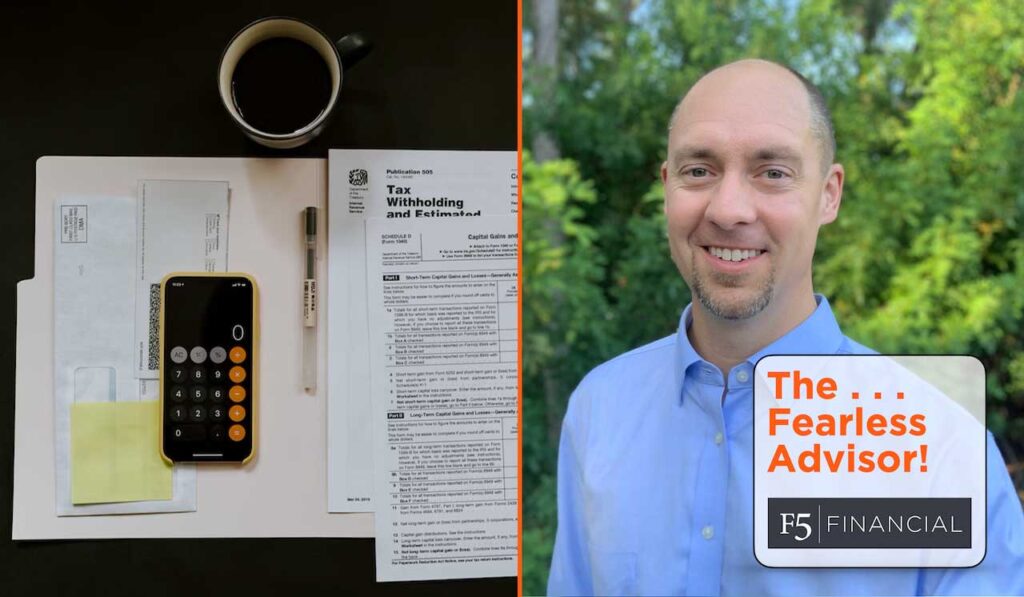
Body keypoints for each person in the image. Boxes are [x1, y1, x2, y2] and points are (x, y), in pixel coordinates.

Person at [546, 59, 1024, 596]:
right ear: (667, 187)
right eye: (699, 170)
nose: (728, 210)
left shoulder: (941, 444)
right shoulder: (600, 410)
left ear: (829, 194)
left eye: (772, 173)